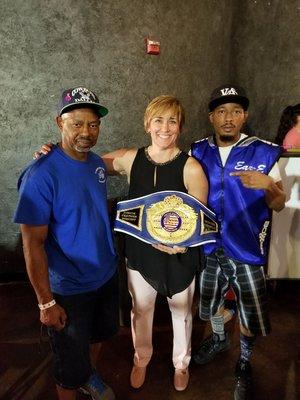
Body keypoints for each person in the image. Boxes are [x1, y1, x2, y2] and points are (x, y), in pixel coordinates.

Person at [37, 95, 209, 392]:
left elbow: (199, 222)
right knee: (140, 311)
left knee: (182, 312)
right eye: (158, 120)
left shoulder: (192, 167)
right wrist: (53, 153)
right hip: (140, 255)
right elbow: (83, 161)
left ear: (180, 126)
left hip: (179, 256)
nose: (164, 128)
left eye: (172, 121)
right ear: (147, 124)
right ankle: (141, 358)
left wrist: (183, 244)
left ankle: (181, 363)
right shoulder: (131, 158)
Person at [14, 87, 119, 400]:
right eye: (77, 124)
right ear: (59, 123)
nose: (86, 132)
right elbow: (32, 245)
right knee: (68, 365)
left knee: (99, 336)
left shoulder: (97, 164)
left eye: (93, 124)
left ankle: (88, 376)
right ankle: (77, 379)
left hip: (105, 276)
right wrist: (45, 301)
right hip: (69, 287)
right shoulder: (40, 175)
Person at [190, 84, 286, 400]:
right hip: (208, 245)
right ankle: (219, 339)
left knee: (249, 313)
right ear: (211, 117)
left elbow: (278, 205)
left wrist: (269, 185)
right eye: (221, 111)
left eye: (235, 111)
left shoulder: (265, 151)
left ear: (244, 115)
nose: (228, 118)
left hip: (246, 247)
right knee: (210, 304)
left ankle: (244, 362)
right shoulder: (197, 150)